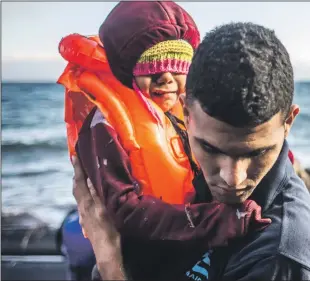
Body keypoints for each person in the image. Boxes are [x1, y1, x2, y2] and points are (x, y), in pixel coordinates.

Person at [73, 22, 310, 280]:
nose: (233, 179)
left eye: (255, 153)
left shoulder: (277, 257)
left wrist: (110, 264)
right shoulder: (182, 172)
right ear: (185, 113)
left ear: (288, 122)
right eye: (210, 148)